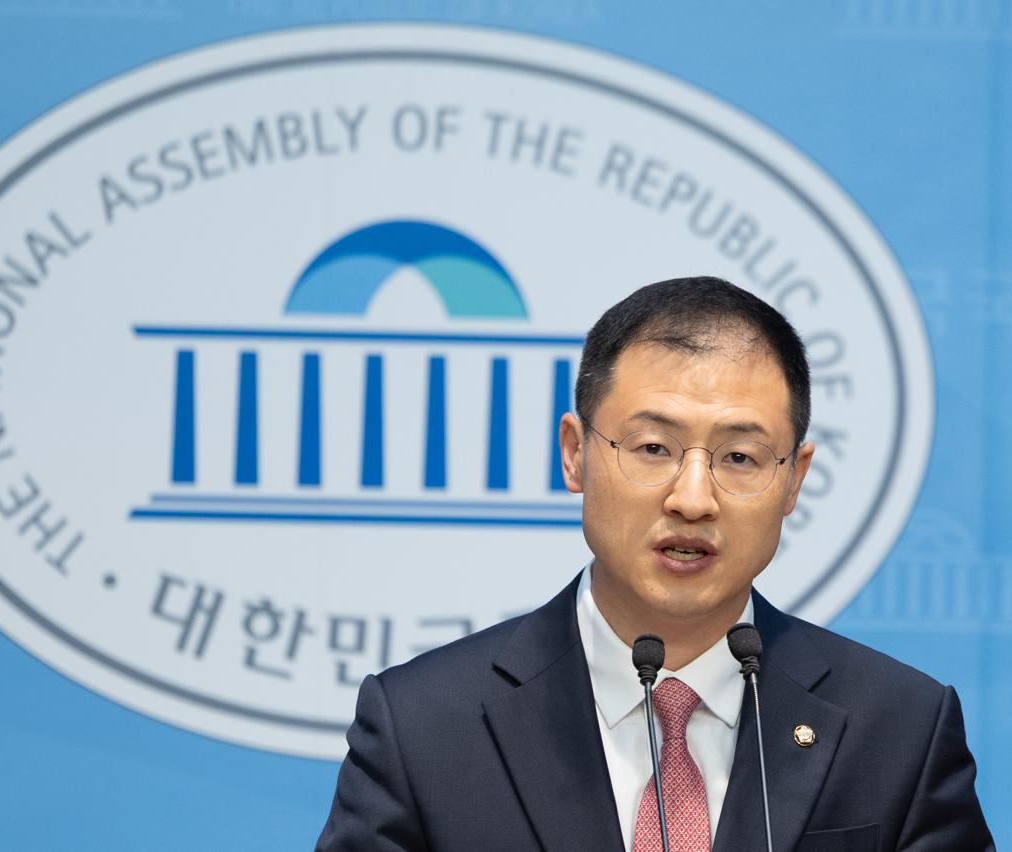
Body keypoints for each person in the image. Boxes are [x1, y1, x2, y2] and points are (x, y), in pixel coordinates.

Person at [316, 276, 993, 851]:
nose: (692, 499)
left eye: (740, 457)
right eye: (652, 448)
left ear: (793, 479)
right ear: (575, 454)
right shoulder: (423, 728)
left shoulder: (898, 730)